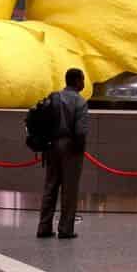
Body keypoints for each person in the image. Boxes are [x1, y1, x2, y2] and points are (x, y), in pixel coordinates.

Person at [36, 68, 89, 239]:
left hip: (51, 146)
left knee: (50, 186)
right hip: (70, 147)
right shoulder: (80, 102)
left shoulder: (54, 96)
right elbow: (80, 131)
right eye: (82, 80)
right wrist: (79, 148)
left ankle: (44, 227)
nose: (84, 83)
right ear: (77, 81)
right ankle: (66, 229)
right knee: (69, 190)